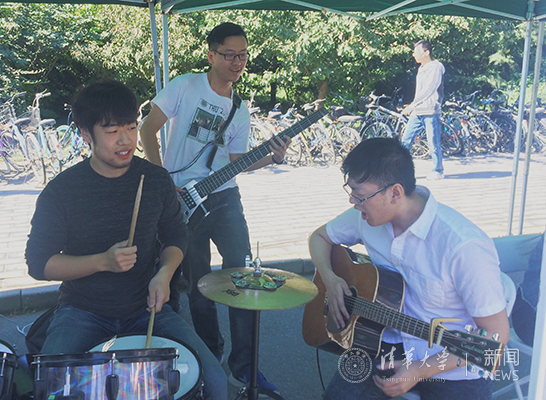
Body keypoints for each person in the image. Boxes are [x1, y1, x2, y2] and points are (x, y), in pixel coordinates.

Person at [25, 80, 227, 400]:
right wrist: (102, 262)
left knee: (214, 381)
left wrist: (164, 274)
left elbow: (175, 235)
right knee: (49, 387)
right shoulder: (62, 191)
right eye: (112, 131)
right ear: (86, 134)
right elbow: (39, 263)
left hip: (146, 309)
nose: (126, 140)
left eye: (131, 127)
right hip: (82, 311)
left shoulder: (156, 180)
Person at [140, 22, 289, 393]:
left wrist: (271, 158)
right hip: (181, 200)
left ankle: (245, 367)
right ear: (211, 55)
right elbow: (147, 130)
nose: (237, 62)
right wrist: (163, 182)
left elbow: (236, 161)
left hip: (224, 199)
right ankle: (211, 356)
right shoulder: (185, 86)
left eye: (243, 56)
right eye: (230, 55)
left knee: (245, 277)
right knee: (199, 286)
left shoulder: (240, 109)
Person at [308, 137, 510, 400]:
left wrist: (418, 370)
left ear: (395, 193)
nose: (352, 202)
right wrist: (330, 278)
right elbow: (319, 237)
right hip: (385, 343)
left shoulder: (463, 246)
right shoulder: (366, 218)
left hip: (453, 368)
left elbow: (494, 340)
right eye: (351, 192)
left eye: (360, 195)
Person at [400, 40, 445, 181]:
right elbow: (419, 91)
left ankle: (438, 171)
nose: (414, 55)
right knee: (405, 141)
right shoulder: (421, 68)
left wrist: (412, 105)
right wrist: (414, 106)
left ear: (426, 53)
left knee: (433, 143)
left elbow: (429, 89)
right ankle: (400, 171)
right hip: (418, 112)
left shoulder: (436, 67)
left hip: (430, 111)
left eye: (416, 52)